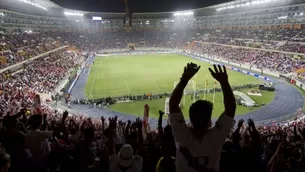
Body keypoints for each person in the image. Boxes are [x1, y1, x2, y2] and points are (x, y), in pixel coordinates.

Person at [169, 63, 236, 172]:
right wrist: (224, 83)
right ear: (209, 121)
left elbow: (172, 105)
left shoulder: (182, 137)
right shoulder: (216, 139)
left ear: (190, 120)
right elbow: (231, 109)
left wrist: (184, 79)